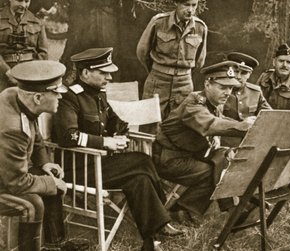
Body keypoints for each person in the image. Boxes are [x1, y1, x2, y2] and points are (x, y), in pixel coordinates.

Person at [52, 47, 182, 251]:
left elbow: (116, 122)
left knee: (139, 179)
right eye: (103, 73)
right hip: (78, 170)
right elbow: (68, 136)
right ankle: (163, 218)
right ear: (85, 73)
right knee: (142, 160)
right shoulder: (69, 98)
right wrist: (105, 142)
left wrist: (121, 134)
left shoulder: (99, 94)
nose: (110, 77)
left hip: (99, 165)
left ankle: (150, 242)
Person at [0, 60, 88, 251]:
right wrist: (50, 184)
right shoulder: (11, 129)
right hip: (7, 180)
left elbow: (36, 135)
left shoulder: (17, 95)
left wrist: (45, 163)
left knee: (50, 178)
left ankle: (55, 245)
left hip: (7, 172)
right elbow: (16, 183)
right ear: (39, 98)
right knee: (32, 205)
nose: (60, 97)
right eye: (56, 92)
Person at [155, 61, 256, 222]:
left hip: (188, 155)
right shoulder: (194, 104)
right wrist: (242, 126)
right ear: (207, 84)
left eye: (230, 88)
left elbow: (221, 120)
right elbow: (210, 124)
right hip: (168, 159)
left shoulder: (213, 103)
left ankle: (236, 206)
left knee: (225, 155)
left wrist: (251, 126)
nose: (227, 93)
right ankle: (186, 211)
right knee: (213, 171)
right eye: (223, 87)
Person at [137, 0, 207, 123]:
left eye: (193, 5)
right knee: (149, 125)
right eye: (186, 5)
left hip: (184, 84)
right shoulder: (159, 22)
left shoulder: (200, 27)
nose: (190, 10)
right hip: (157, 81)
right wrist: (156, 71)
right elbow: (142, 52)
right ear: (177, 4)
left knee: (179, 126)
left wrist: (183, 74)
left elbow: (200, 61)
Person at [221, 52, 272, 146]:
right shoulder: (220, 90)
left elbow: (269, 116)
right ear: (229, 71)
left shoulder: (255, 92)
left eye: (244, 73)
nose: (239, 76)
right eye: (236, 71)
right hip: (224, 142)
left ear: (249, 74)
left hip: (250, 142)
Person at [0, 0, 48, 92]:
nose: (23, 5)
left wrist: (32, 73)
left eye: (27, 1)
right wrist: (7, 71)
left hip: (30, 75)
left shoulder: (37, 21)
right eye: (20, 1)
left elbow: (43, 53)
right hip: (2, 73)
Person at [256, 43, 290, 110]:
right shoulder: (264, 77)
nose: (285, 65)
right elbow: (254, 100)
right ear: (274, 62)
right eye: (281, 61)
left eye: (289, 62)